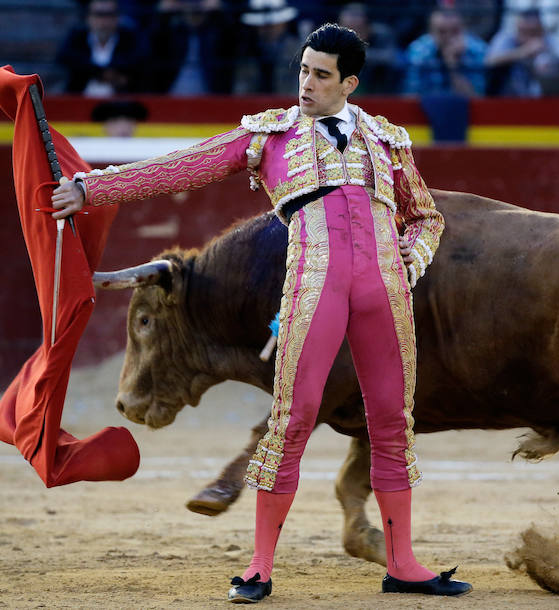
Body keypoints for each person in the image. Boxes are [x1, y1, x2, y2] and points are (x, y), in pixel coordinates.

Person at [50, 23, 471, 603]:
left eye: (321, 75)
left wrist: (410, 258)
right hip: (312, 285)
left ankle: (403, 562)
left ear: (349, 82)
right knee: (292, 417)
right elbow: (184, 165)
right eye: (303, 69)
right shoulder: (269, 135)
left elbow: (425, 217)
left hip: (384, 293)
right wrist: (92, 189)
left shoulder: (388, 140)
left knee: (393, 423)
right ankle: (258, 566)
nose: (306, 84)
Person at [143, 0, 241, 95]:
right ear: (182, 14)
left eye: (198, 13)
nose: (194, 17)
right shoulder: (173, 34)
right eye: (190, 13)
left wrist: (220, 12)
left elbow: (232, 39)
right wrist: (162, 15)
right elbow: (153, 42)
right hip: (171, 92)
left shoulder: (214, 35)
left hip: (210, 94)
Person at [55, 0, 146, 95]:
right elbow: (65, 57)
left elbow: (138, 60)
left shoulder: (129, 37)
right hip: (81, 97)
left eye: (109, 15)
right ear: (88, 17)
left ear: (117, 17)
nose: (104, 21)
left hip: (122, 101)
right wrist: (103, 74)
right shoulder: (78, 37)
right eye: (99, 15)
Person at [403, 7, 488, 96]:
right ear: (431, 33)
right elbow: (410, 98)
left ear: (464, 29)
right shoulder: (418, 52)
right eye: (442, 32)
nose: (449, 37)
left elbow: (478, 101)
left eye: (455, 31)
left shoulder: (478, 51)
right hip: (426, 108)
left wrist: (453, 67)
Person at [485, 9, 559, 96]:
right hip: (507, 98)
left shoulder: (548, 40)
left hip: (543, 99)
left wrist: (547, 56)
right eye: (524, 31)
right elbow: (489, 61)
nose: (528, 36)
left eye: (533, 32)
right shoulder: (507, 37)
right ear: (518, 27)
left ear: (541, 29)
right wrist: (522, 52)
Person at [233, 0, 303, 94]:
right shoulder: (246, 51)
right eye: (262, 26)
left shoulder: (297, 50)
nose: (268, 29)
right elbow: (241, 89)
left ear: (284, 24)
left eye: (273, 25)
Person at [337, 3, 402, 94]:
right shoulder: (332, 36)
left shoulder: (382, 34)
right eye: (347, 29)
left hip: (376, 84)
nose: (354, 20)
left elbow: (393, 57)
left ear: (367, 23)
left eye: (357, 16)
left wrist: (357, 54)